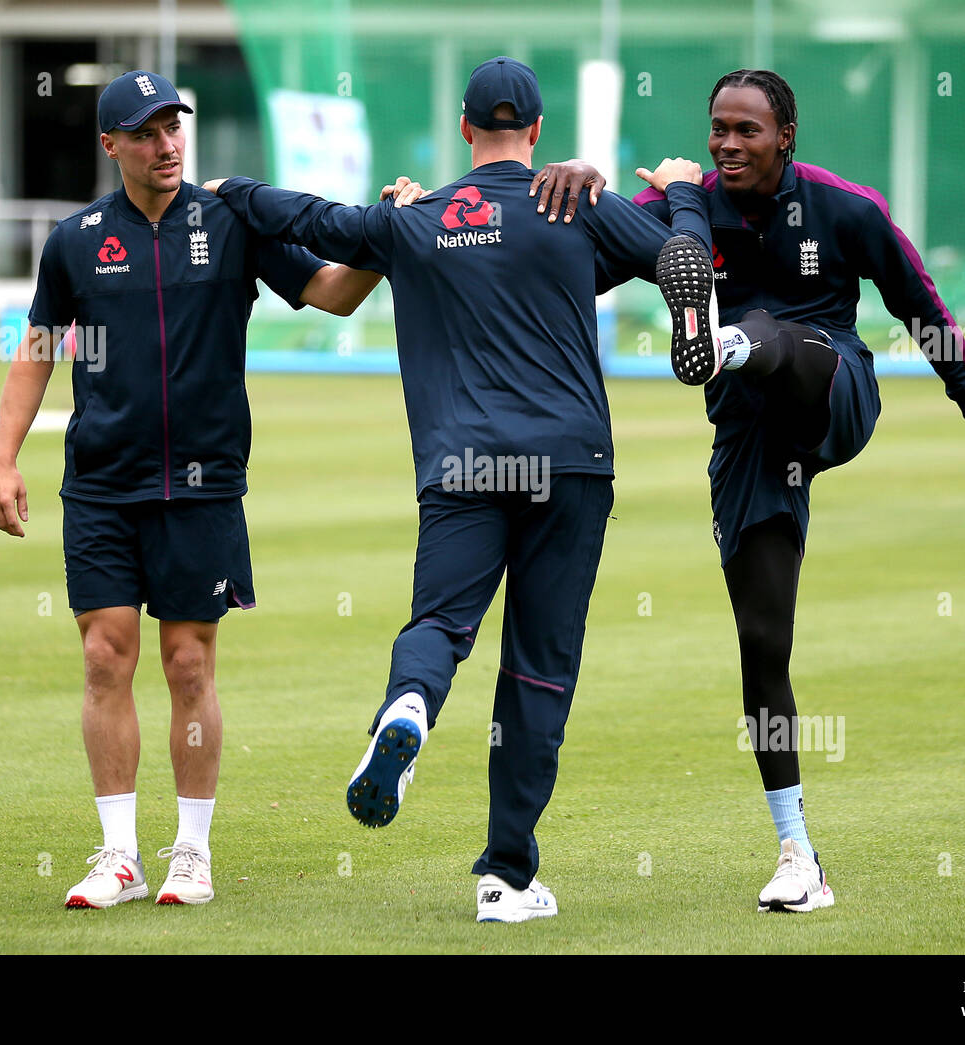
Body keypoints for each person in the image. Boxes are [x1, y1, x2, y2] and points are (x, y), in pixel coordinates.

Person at [203, 56, 713, 923]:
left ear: (466, 130)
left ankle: (409, 704)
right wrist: (685, 191)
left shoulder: (416, 219)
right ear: (540, 134)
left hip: (463, 465)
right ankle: (506, 875)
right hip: (571, 462)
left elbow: (315, 222)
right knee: (539, 669)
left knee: (439, 626)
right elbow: (683, 254)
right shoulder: (576, 202)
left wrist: (229, 184)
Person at [539, 68, 965, 912]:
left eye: (747, 130)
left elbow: (921, 304)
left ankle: (727, 341)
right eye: (717, 128)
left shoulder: (845, 208)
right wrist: (583, 187)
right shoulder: (685, 213)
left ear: (786, 136)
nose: (727, 143)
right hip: (752, 443)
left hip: (831, 391)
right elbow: (573, 265)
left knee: (776, 337)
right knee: (763, 646)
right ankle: (799, 853)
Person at [0, 70, 404, 909]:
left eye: (175, 127)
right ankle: (117, 855)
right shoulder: (75, 240)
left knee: (186, 662)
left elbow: (329, 292)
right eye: (145, 132)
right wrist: (1, 456)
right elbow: (38, 346)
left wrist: (383, 239)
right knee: (105, 657)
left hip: (204, 487)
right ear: (112, 146)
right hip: (101, 484)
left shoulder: (232, 222)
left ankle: (193, 852)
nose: (167, 143)